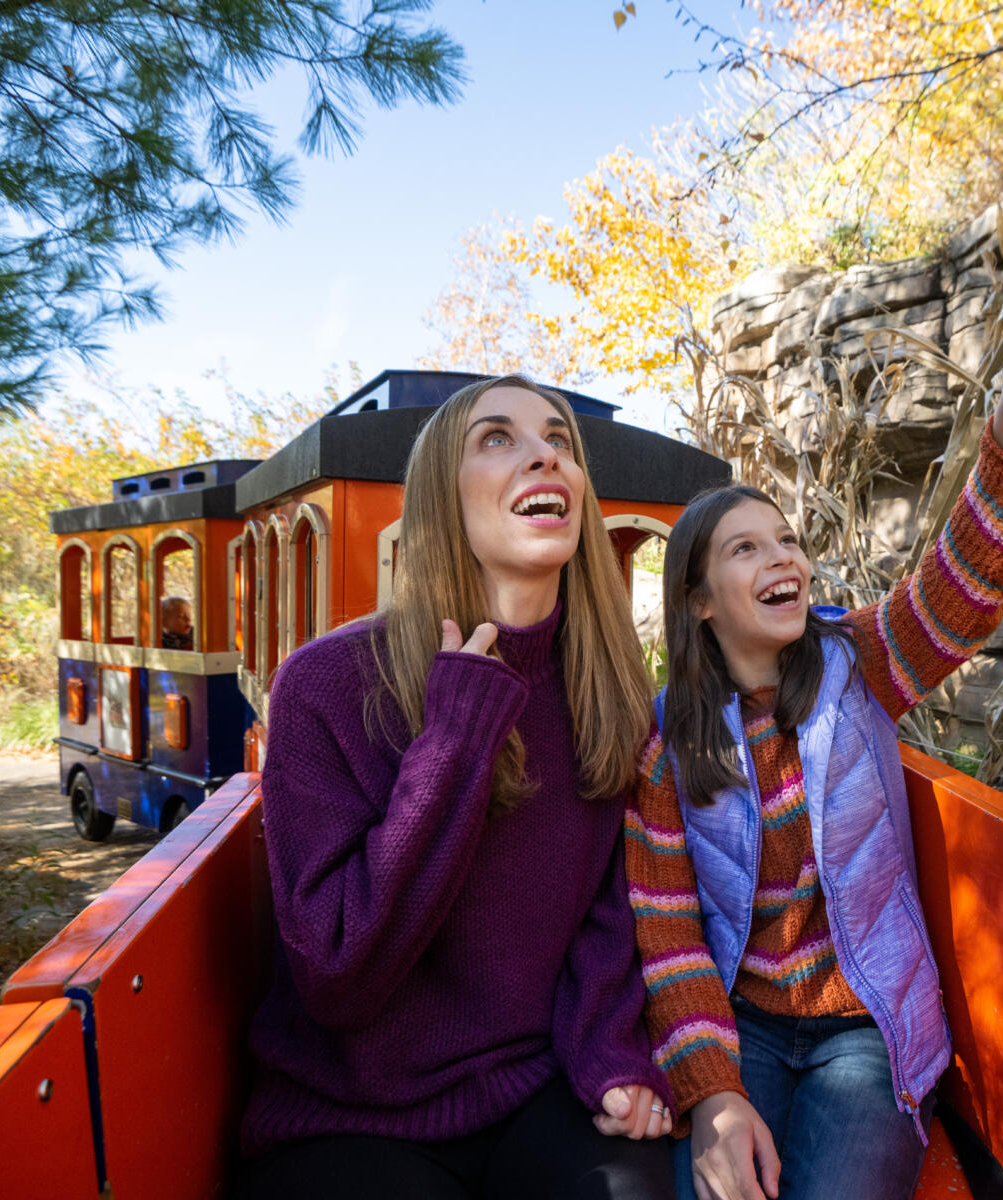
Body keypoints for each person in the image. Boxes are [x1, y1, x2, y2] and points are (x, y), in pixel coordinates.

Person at [627, 245, 1003, 1200]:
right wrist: (712, 1095)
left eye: (787, 542)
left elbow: (962, 589)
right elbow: (668, 933)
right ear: (696, 600)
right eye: (746, 549)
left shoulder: (859, 661)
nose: (786, 561)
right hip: (740, 1026)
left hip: (865, 1027)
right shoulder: (667, 743)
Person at [236, 375, 676, 1200]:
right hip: (349, 1117)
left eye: (560, 441)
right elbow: (339, 975)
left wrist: (609, 1053)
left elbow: (609, 911)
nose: (545, 453)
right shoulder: (327, 686)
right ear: (442, 499)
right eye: (497, 439)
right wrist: (456, 734)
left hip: (529, 1088)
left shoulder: (606, 691)